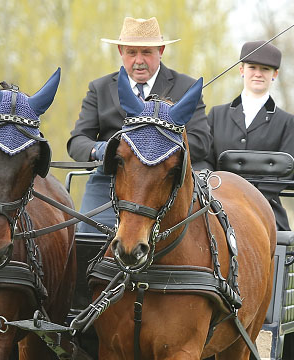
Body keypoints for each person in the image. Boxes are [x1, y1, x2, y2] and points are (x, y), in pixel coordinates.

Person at [67, 16, 211, 233]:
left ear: (160, 51)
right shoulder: (100, 88)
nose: (139, 60)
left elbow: (201, 142)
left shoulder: (186, 88)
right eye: (132, 53)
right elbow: (77, 141)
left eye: (146, 52)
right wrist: (101, 149)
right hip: (109, 183)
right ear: (121, 53)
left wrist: (162, 144)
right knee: (86, 241)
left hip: (166, 185)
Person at [207, 40, 294, 230]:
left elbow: (285, 171)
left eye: (265, 69)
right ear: (242, 70)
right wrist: (218, 193)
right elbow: (205, 160)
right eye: (252, 67)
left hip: (265, 210)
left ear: (275, 74)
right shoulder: (217, 115)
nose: (258, 73)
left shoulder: (286, 122)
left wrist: (249, 201)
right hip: (215, 206)